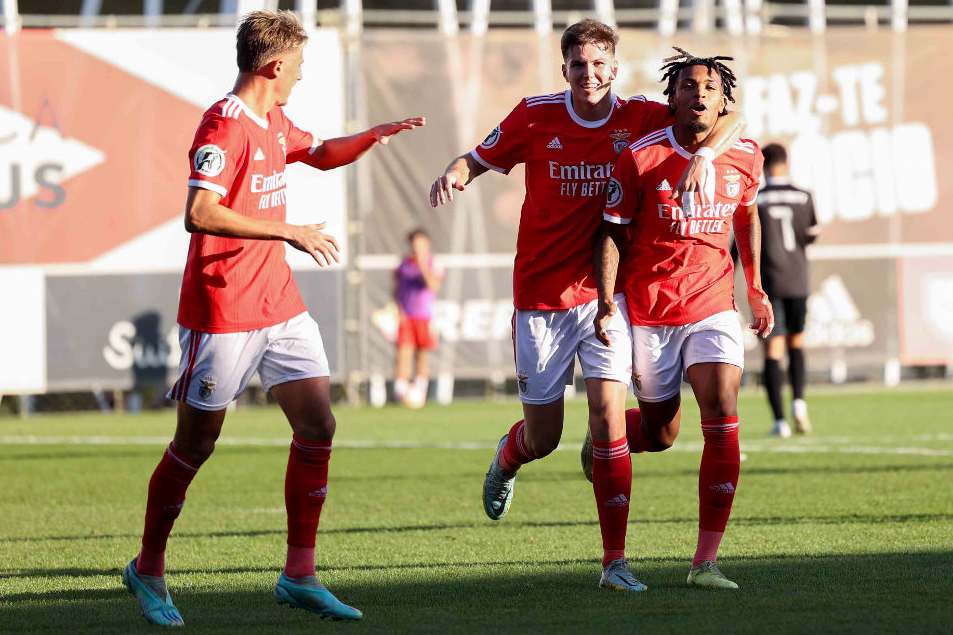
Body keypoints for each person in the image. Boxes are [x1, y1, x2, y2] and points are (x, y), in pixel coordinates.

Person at [121, 10, 424, 626]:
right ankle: (147, 569)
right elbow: (199, 212)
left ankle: (300, 574)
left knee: (318, 426)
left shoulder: (275, 121)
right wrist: (285, 230)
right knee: (196, 442)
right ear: (275, 65)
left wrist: (373, 136)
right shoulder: (224, 125)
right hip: (223, 310)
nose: (300, 78)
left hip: (280, 305)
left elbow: (320, 152)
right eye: (299, 68)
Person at [429, 21, 745, 591]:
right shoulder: (535, 115)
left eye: (600, 65)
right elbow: (477, 157)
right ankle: (509, 455)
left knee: (606, 420)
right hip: (542, 298)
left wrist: (709, 154)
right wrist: (455, 174)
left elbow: (728, 116)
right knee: (543, 437)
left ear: (615, 69)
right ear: (565, 69)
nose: (590, 75)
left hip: (609, 298)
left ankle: (613, 563)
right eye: (579, 65)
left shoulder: (643, 115)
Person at [595, 48, 773, 590]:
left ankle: (705, 562)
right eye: (688, 86)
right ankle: (613, 438)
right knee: (661, 431)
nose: (699, 94)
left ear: (724, 101)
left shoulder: (743, 154)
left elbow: (747, 216)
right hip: (651, 311)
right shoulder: (643, 157)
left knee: (721, 405)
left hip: (713, 304)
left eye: (710, 88)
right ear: (670, 98)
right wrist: (607, 301)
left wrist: (756, 287)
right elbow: (612, 231)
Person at [757, 143, 819, 437]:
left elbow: (741, 245)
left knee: (773, 349)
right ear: (786, 162)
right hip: (799, 280)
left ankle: (779, 421)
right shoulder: (804, 196)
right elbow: (810, 235)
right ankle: (799, 404)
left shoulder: (756, 199)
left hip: (770, 283)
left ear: (763, 164)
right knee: (797, 343)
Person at [393, 228, 442, 408]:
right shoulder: (404, 265)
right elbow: (397, 288)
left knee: (422, 355)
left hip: (425, 316)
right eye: (414, 244)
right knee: (403, 353)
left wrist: (422, 265)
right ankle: (401, 392)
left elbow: (433, 286)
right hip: (406, 316)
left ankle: (420, 392)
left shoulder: (432, 263)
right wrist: (397, 309)